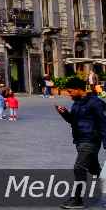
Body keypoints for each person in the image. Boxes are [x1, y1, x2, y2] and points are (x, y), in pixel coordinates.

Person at [54, 75, 106, 209]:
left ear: (78, 89)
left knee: (79, 168)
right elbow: (73, 121)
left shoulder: (96, 102)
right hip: (79, 140)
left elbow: (103, 123)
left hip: (91, 140)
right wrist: (65, 114)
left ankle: (77, 200)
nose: (69, 95)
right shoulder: (77, 102)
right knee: (94, 169)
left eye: (70, 91)